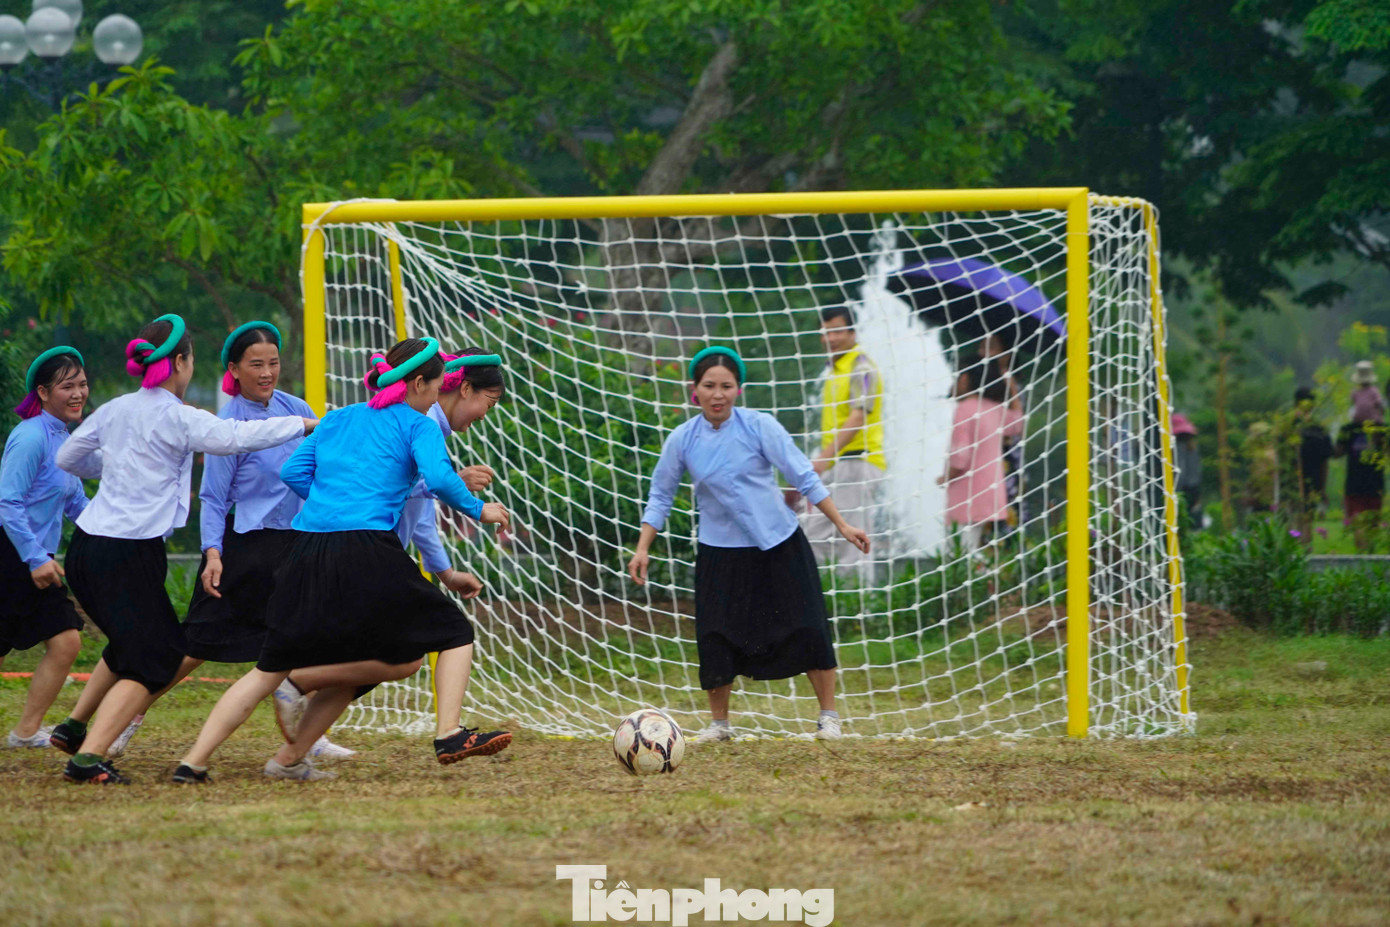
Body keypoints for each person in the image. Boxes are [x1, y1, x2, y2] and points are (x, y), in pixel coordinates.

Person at [173, 338, 511, 784]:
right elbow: (442, 481)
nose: (436, 395)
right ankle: (449, 733)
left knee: (268, 670)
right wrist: (480, 509)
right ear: (418, 383)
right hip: (366, 549)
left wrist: (332, 502)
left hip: (304, 550)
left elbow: (294, 472)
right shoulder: (417, 424)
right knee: (455, 632)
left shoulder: (337, 419)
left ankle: (196, 762)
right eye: (435, 386)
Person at [52, 314, 315, 785]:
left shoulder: (114, 409)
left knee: (140, 644)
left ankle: (75, 731)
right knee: (155, 657)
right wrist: (299, 423)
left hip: (87, 551)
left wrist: (111, 464)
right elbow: (235, 439)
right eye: (190, 361)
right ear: (180, 362)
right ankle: (89, 758)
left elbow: (67, 458)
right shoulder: (179, 415)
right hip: (129, 553)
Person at [628, 345, 869, 743]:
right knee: (716, 635)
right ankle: (720, 725)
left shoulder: (760, 426)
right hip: (720, 552)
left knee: (809, 626)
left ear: (738, 390)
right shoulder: (683, 439)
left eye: (726, 386)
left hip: (779, 542)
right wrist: (642, 547)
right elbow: (661, 495)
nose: (717, 394)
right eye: (709, 386)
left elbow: (804, 476)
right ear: (695, 389)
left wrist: (841, 524)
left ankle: (829, 719)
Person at [0, 347, 90, 749]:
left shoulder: (64, 440)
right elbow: (7, 501)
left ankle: (23, 734)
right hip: (12, 553)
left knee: (66, 640)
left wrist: (120, 530)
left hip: (38, 557)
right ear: (42, 392)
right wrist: (35, 558)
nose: (78, 393)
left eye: (82, 384)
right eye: (66, 386)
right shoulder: (31, 436)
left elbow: (76, 504)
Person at [798, 306, 884, 580]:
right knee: (812, 536)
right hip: (837, 466)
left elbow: (859, 415)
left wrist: (822, 458)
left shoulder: (862, 367)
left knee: (853, 543)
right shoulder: (834, 369)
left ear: (852, 332)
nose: (830, 338)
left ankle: (861, 614)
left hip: (857, 464)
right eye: (825, 332)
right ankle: (825, 603)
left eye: (836, 331)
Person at [938, 354, 1024, 548]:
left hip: (966, 497)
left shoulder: (965, 409)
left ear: (965, 379)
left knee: (959, 556)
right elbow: (1018, 423)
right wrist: (1011, 386)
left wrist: (945, 477)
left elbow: (960, 458)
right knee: (978, 552)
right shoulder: (994, 409)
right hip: (991, 495)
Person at [1337, 378, 1386, 553]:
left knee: (1357, 521)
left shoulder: (1348, 430)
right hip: (1375, 484)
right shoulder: (1381, 430)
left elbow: (1338, 452)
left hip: (1354, 484)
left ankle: (1361, 555)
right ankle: (1370, 555)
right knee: (1373, 524)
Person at [1292, 386, 1334, 519]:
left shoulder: (1287, 427)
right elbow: (1324, 463)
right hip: (1313, 483)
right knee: (1306, 519)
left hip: (1290, 483)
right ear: (1313, 405)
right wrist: (1322, 489)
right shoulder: (1320, 430)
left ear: (1295, 404)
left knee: (1292, 520)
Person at [1171, 413, 1202, 528]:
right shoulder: (1192, 447)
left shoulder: (1178, 449)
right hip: (1193, 490)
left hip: (1182, 490)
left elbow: (1182, 473)